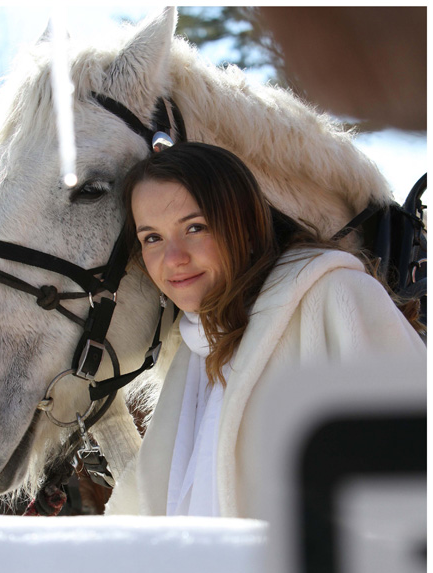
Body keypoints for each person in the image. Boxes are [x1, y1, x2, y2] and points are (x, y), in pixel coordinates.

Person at [106, 142, 425, 518]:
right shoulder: (194, 348)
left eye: (195, 227)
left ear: (245, 224)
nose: (173, 259)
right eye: (152, 238)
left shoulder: (334, 296)